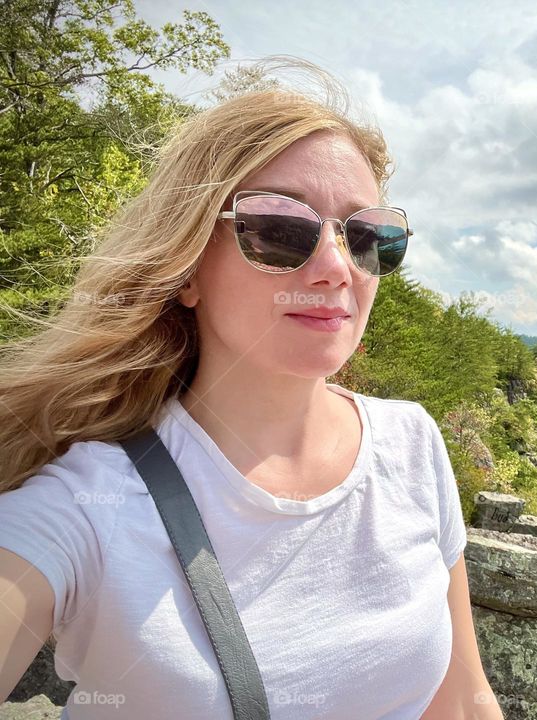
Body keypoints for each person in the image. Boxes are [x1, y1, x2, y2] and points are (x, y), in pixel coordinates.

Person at [0, 57, 504, 719]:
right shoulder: (89, 505)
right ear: (186, 269)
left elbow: (462, 701)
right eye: (276, 229)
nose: (334, 269)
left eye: (366, 235)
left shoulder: (410, 442)